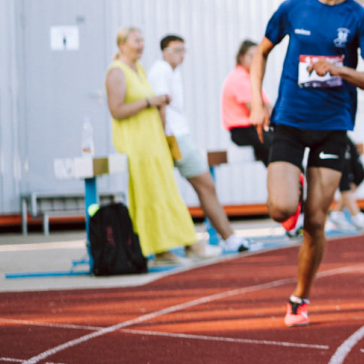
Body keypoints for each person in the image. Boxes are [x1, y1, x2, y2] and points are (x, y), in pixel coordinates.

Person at [249, 0, 364, 326]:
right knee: (280, 209)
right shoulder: (293, 9)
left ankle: (299, 298)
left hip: (332, 127)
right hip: (290, 121)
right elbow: (261, 51)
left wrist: (341, 69)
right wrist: (258, 102)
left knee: (315, 223)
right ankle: (294, 195)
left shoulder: (360, 19)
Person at [105, 27, 210, 263]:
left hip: (153, 144)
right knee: (148, 197)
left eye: (143, 40)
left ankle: (175, 245)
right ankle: (155, 249)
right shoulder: (116, 72)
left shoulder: (139, 70)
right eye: (136, 41)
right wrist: (150, 101)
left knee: (165, 195)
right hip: (137, 146)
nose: (141, 44)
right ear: (122, 45)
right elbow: (117, 110)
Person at [148, 35, 251, 253]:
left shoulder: (170, 72)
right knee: (205, 185)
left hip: (176, 135)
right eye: (177, 50)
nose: (182, 54)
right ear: (165, 51)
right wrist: (165, 141)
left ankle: (220, 238)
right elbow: (160, 107)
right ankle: (225, 238)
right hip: (175, 136)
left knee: (199, 187)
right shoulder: (162, 71)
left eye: (184, 50)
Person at [222, 40, 271, 163]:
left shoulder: (251, 77)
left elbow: (268, 107)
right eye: (251, 56)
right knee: (278, 151)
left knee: (280, 150)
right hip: (244, 130)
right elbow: (258, 110)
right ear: (241, 57)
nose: (255, 60)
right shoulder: (239, 78)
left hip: (253, 128)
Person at [327, 142, 364, 232]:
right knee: (343, 179)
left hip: (344, 134)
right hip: (333, 137)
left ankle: (336, 213)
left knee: (360, 174)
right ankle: (357, 217)